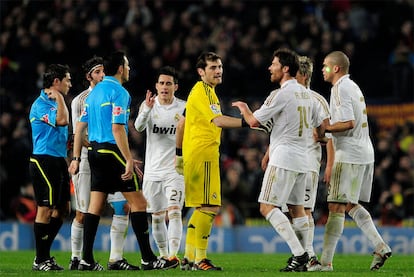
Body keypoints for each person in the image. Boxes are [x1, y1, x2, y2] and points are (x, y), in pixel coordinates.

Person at [68, 51, 178, 271]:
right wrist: (128, 159)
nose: (129, 69)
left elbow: (79, 127)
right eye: (127, 65)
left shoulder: (94, 93)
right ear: (120, 68)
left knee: (95, 206)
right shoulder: (120, 92)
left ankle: (86, 260)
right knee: (139, 204)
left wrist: (78, 157)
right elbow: (118, 128)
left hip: (95, 152)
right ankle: (148, 259)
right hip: (111, 150)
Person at [232, 48, 325, 272]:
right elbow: (321, 130)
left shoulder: (280, 94)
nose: (269, 68)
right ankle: (308, 256)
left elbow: (254, 122)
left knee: (266, 207)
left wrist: (244, 109)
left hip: (284, 158)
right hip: (304, 160)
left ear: (285, 69)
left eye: (273, 64)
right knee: (297, 208)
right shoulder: (307, 95)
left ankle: (299, 254)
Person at [175, 52, 263, 271]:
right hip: (203, 153)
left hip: (197, 153)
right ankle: (200, 259)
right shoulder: (204, 92)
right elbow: (218, 120)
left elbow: (182, 123)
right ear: (201, 72)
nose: (218, 71)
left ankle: (188, 256)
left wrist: (179, 154)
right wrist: (247, 122)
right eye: (213, 67)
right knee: (211, 206)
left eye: (220, 66)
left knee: (200, 207)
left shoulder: (200, 92)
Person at [309, 51, 392, 272]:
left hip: (349, 156)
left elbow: (347, 123)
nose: (322, 69)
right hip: (364, 153)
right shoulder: (353, 86)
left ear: (336, 68)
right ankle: (380, 246)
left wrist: (324, 128)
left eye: (325, 66)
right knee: (349, 204)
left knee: (335, 206)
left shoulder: (339, 88)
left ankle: (325, 263)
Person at [69, 56, 139, 270]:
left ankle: (115, 258)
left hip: (105, 154)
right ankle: (77, 257)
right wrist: (76, 158)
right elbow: (78, 132)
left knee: (122, 205)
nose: (102, 75)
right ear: (89, 75)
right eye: (97, 72)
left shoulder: (106, 92)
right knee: (84, 210)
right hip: (90, 158)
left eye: (103, 71)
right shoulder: (81, 100)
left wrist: (121, 154)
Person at [134, 66, 186, 264]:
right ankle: (164, 256)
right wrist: (146, 109)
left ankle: (173, 255)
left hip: (175, 168)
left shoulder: (184, 107)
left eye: (168, 83)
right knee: (156, 216)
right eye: (161, 83)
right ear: (156, 86)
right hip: (152, 170)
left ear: (175, 86)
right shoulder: (148, 105)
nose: (164, 87)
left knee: (174, 211)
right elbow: (138, 127)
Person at [29, 64, 72, 271]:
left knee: (64, 209)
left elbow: (62, 130)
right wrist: (60, 98)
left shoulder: (55, 102)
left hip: (58, 160)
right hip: (43, 160)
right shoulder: (41, 104)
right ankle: (41, 258)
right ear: (57, 82)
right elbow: (62, 121)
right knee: (45, 208)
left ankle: (43, 256)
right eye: (68, 80)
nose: (70, 84)